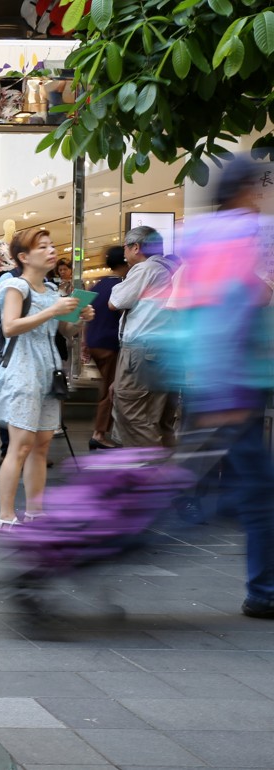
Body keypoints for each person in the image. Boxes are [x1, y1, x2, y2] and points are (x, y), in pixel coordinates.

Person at [169, 157, 274, 619]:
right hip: (236, 385)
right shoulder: (253, 234)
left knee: (231, 483)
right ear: (247, 190)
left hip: (203, 380)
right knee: (256, 495)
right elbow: (238, 306)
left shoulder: (195, 236)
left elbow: (188, 308)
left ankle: (262, 584)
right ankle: (264, 591)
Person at [0, 228, 93, 528]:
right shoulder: (16, 287)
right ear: (23, 257)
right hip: (22, 370)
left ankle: (35, 511)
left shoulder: (51, 292)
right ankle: (5, 516)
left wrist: (79, 320)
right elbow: (10, 327)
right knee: (20, 446)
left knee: (42, 444)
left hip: (48, 371)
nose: (51, 251)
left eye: (51, 245)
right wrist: (53, 312)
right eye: (43, 247)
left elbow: (64, 333)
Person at [109, 225, 181, 447]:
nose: (124, 254)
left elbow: (115, 302)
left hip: (143, 350)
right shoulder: (172, 267)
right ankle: (167, 471)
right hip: (168, 351)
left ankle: (150, 471)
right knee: (161, 418)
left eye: (125, 248)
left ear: (136, 247)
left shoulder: (145, 269)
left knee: (132, 413)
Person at [85, 246, 129, 449]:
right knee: (109, 390)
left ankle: (102, 431)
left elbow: (87, 317)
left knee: (106, 388)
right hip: (110, 343)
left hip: (94, 341)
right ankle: (100, 433)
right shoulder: (122, 286)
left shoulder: (97, 286)